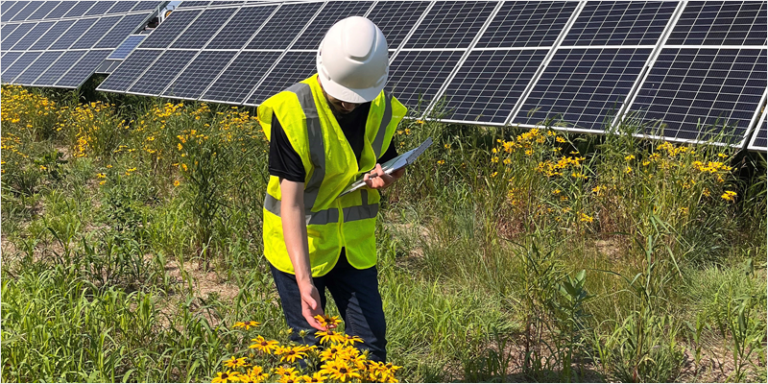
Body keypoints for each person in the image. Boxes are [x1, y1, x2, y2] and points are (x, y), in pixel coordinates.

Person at [257, 16, 407, 363]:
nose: (351, 106)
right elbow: (292, 204)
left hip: (352, 248)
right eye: (342, 99)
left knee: (370, 347)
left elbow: (389, 164)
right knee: (310, 349)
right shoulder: (292, 111)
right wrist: (304, 281)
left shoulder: (379, 104)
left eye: (358, 99)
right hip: (299, 247)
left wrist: (388, 178)